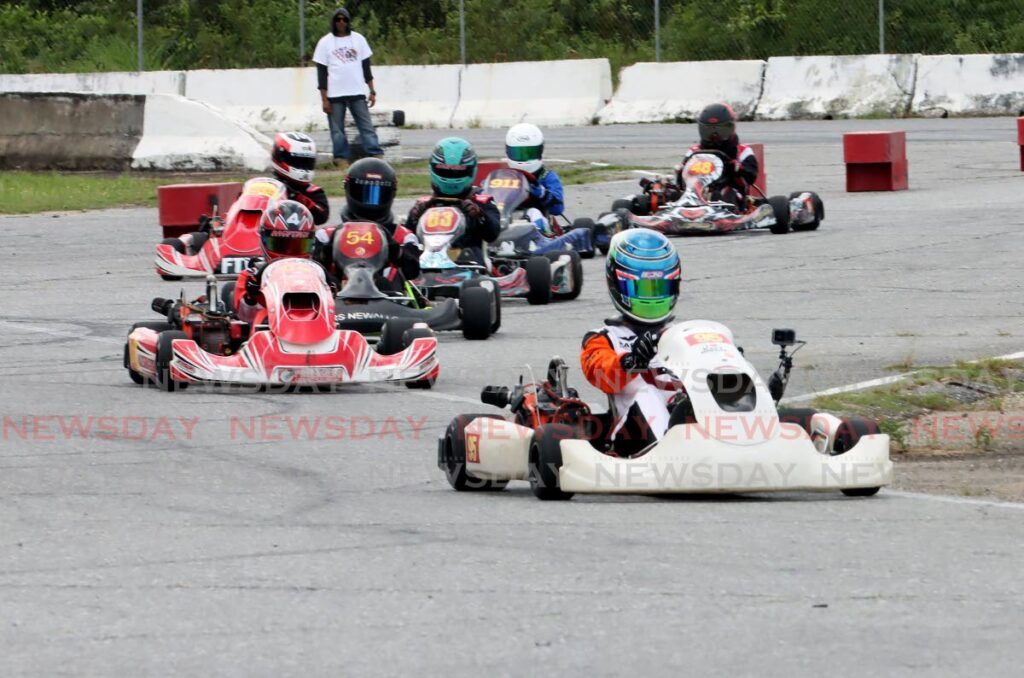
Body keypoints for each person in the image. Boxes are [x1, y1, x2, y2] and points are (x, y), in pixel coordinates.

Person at [580, 229, 682, 457]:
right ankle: (670, 451)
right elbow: (601, 374)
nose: (652, 297)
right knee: (649, 394)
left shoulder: (684, 334)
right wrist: (631, 362)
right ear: (618, 285)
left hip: (691, 422)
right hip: (632, 439)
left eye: (660, 288)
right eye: (643, 288)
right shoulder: (604, 338)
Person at [315, 157, 421, 290]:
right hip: (339, 299)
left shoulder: (403, 237)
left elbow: (413, 271)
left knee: (392, 275)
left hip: (389, 302)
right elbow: (313, 269)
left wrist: (393, 249)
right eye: (364, 193)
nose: (371, 202)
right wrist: (330, 248)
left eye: (377, 195)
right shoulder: (325, 236)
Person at [404, 137, 500, 265]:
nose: (451, 178)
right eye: (445, 171)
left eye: (457, 172)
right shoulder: (424, 205)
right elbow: (407, 238)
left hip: (467, 266)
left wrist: (479, 216)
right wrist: (413, 218)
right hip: (425, 265)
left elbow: (492, 234)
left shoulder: (481, 201)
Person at [502, 122, 593, 254]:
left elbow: (558, 208)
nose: (523, 158)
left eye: (529, 153)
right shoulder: (503, 177)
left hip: (538, 220)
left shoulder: (547, 177)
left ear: (539, 151)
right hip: (507, 219)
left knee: (532, 212)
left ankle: (543, 241)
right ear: (508, 151)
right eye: (518, 153)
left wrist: (542, 193)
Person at [312, 7, 382, 168]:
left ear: (349, 21)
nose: (341, 22)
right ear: (333, 22)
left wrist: (372, 90)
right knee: (337, 130)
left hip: (356, 92)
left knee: (366, 126)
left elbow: (366, 67)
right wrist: (324, 99)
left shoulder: (358, 40)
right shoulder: (325, 42)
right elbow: (321, 74)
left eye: (344, 19)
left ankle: (375, 154)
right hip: (335, 94)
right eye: (338, 19)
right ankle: (341, 157)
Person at [233, 200, 324, 322]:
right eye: (282, 245)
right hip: (268, 332)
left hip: (315, 327)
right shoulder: (250, 276)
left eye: (298, 246)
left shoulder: (318, 275)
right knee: (262, 315)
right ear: (264, 240)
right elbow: (245, 319)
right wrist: (251, 296)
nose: (290, 254)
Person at [675, 103, 759, 208]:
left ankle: (724, 216)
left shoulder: (743, 152)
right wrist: (680, 172)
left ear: (731, 128)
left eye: (721, 131)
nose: (715, 137)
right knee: (671, 193)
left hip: (730, 192)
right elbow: (681, 180)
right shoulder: (693, 152)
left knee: (723, 194)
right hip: (695, 191)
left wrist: (736, 167)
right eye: (709, 131)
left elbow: (751, 178)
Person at [270, 131, 330, 225]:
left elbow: (322, 217)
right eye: (298, 161)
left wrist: (296, 197)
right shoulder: (270, 186)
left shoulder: (313, 191)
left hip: (301, 237)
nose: (303, 166)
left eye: (307, 162)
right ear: (281, 157)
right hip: (269, 234)